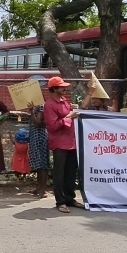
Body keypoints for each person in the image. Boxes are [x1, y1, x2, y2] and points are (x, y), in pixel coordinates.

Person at [45, 76, 82, 214]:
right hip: (59, 143)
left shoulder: (64, 100)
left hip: (71, 141)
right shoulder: (49, 105)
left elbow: (67, 114)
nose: (65, 88)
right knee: (59, 173)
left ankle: (69, 198)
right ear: (54, 88)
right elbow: (53, 126)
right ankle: (60, 201)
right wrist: (68, 117)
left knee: (71, 172)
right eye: (62, 87)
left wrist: (72, 109)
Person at [27, 99, 50, 198]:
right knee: (38, 164)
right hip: (35, 137)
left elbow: (38, 123)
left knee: (42, 164)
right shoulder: (36, 105)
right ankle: (39, 187)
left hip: (40, 137)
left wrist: (31, 112)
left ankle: (43, 190)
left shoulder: (41, 106)